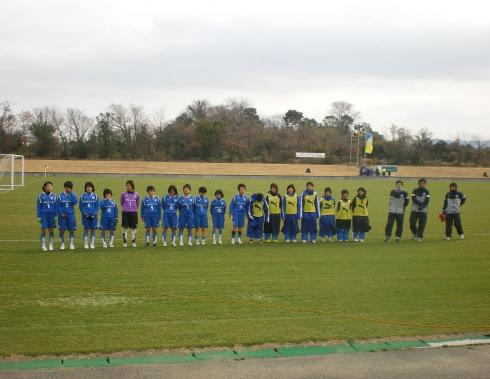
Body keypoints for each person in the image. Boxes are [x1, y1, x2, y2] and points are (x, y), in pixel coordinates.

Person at [57, 181, 77, 250]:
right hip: (62, 216)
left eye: (69, 188)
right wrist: (61, 213)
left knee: (71, 230)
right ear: (64, 187)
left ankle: (71, 244)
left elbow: (75, 202)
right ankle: (62, 244)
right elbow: (58, 205)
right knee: (62, 230)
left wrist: (71, 193)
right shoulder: (60, 195)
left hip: (71, 214)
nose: (68, 189)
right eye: (67, 187)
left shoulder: (72, 194)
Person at [37, 181, 57, 251]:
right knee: (44, 230)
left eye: (51, 186)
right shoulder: (40, 196)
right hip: (44, 215)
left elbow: (55, 206)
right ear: (45, 187)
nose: (50, 187)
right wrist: (39, 216)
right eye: (48, 186)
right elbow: (38, 207)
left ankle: (51, 244)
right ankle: (43, 244)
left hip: (51, 215)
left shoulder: (54, 196)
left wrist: (56, 216)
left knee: (51, 231)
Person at [79, 181, 99, 250]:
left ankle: (92, 243)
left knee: (93, 230)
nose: (89, 188)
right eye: (88, 187)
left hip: (94, 216)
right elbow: (81, 206)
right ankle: (86, 243)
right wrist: (85, 214)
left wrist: (94, 214)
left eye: (90, 187)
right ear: (85, 188)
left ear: (92, 188)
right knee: (86, 229)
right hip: (85, 216)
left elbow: (97, 206)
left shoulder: (95, 196)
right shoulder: (82, 196)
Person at [120, 180, 140, 248]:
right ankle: (125, 242)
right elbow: (121, 202)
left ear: (132, 186)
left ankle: (133, 242)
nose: (128, 187)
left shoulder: (137, 194)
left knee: (133, 228)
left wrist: (133, 208)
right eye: (127, 185)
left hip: (133, 213)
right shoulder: (123, 194)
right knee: (125, 227)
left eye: (129, 185)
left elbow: (137, 203)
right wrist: (126, 208)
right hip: (125, 213)